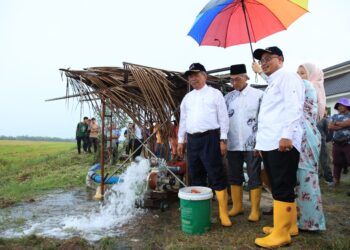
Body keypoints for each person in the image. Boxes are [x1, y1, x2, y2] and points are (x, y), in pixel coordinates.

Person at [252, 47, 304, 248]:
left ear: (280, 59)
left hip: (281, 141)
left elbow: (294, 107)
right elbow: (268, 116)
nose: (264, 63)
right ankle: (288, 226)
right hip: (270, 141)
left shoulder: (288, 77)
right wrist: (260, 144)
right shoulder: (273, 82)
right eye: (261, 60)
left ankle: (281, 234)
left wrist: (287, 135)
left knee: (281, 185)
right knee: (279, 183)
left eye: (268, 59)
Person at [177, 63, 231, 227]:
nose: (193, 78)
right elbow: (183, 120)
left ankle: (223, 213)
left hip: (210, 138)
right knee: (196, 174)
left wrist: (223, 140)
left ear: (204, 75)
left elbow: (223, 118)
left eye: (196, 74)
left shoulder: (215, 94)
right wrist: (180, 140)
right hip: (192, 140)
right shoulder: (187, 98)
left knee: (215, 173)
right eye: (190, 75)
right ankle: (201, 210)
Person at [224, 64, 264, 222]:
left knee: (254, 175)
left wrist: (261, 142)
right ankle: (237, 206)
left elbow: (263, 120)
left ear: (246, 77)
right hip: (233, 143)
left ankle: (255, 210)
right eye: (232, 80)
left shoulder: (258, 95)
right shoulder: (228, 98)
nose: (234, 82)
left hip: (252, 143)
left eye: (238, 79)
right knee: (234, 175)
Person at [293, 63, 326, 232]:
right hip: (309, 135)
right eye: (297, 72)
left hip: (306, 137)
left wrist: (262, 72)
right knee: (306, 178)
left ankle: (310, 222)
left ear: (312, 74)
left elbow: (285, 84)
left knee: (306, 178)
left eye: (302, 73)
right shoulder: (315, 88)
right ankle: (306, 218)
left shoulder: (306, 86)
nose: (298, 75)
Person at [328, 98, 350, 185]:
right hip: (336, 143)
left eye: (342, 105)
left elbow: (348, 123)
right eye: (339, 106)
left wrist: (336, 124)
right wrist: (343, 125)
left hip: (348, 143)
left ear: (347, 106)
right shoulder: (334, 116)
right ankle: (336, 180)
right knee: (336, 162)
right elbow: (330, 126)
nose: (340, 107)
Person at [317, 108, 334, 186]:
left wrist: (324, 139)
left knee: (324, 161)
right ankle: (317, 176)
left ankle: (329, 179)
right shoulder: (311, 119)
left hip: (322, 142)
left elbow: (327, 131)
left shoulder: (324, 120)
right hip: (312, 142)